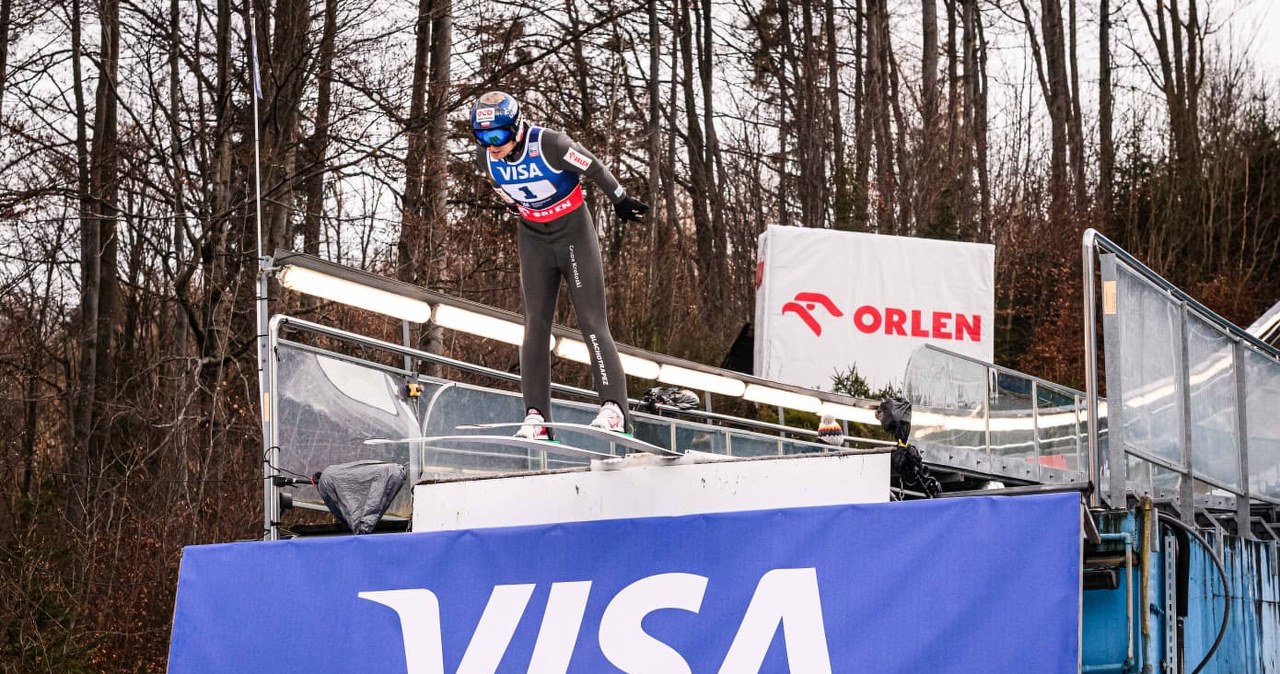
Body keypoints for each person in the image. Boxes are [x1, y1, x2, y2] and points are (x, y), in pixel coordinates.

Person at [469, 91, 649, 439]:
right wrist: (516, 206)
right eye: (482, 137)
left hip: (572, 233)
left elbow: (593, 166)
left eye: (497, 136)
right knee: (534, 325)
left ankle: (613, 408)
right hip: (533, 237)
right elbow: (504, 189)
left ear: (517, 128)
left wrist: (620, 199)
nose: (491, 145)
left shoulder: (550, 144)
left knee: (591, 321)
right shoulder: (485, 158)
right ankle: (536, 416)